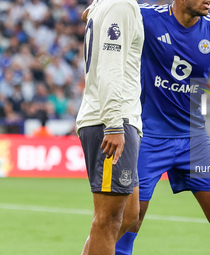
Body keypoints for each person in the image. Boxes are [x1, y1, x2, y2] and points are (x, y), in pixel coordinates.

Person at [83, 0, 210, 254]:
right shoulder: (146, 16)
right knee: (130, 220)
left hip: (193, 138)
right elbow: (104, 12)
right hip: (148, 136)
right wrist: (94, 10)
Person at [76, 0, 144, 254]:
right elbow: (110, 68)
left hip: (120, 119)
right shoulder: (121, 4)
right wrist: (114, 125)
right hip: (112, 120)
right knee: (108, 220)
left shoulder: (112, 4)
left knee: (129, 216)